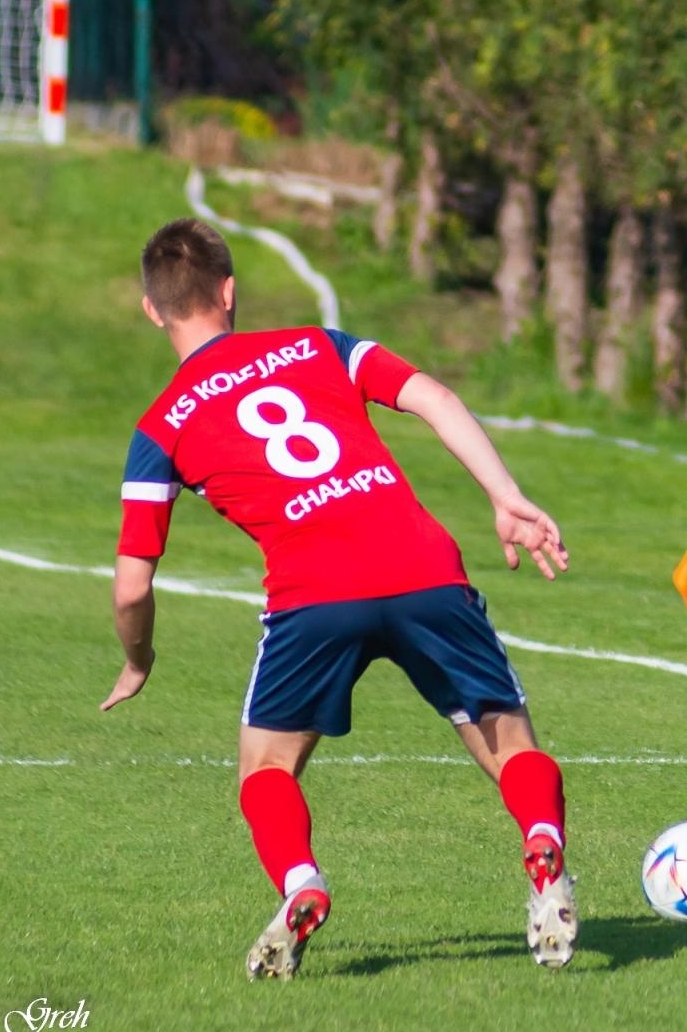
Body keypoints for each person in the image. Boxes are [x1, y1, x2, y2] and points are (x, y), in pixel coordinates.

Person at [104, 218, 579, 977]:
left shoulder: (161, 426)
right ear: (231, 290)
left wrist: (139, 658)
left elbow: (132, 585)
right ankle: (543, 847)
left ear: (152, 309)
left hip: (314, 595)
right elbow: (435, 395)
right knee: (507, 741)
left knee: (266, 767)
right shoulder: (318, 344)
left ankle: (300, 879)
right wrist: (506, 496)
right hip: (425, 568)